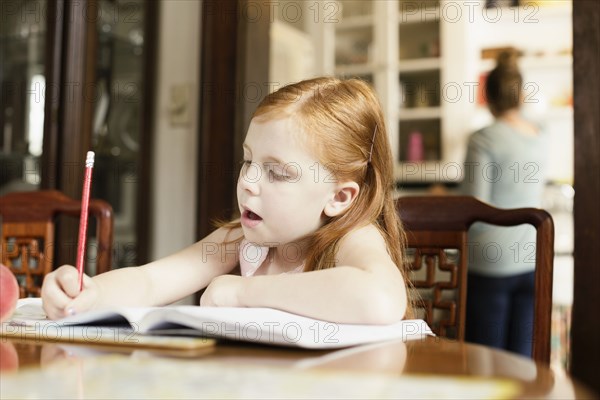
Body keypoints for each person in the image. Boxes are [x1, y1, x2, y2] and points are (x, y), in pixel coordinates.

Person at [41, 77, 411, 325]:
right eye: (248, 160)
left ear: (339, 197)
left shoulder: (354, 239)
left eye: (277, 172)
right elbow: (152, 281)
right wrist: (91, 294)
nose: (248, 182)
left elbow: (379, 298)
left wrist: (243, 293)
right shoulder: (242, 241)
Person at [461, 50, 548, 357]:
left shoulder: (483, 139)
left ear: (488, 95)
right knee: (521, 360)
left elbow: (475, 203)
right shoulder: (540, 135)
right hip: (531, 258)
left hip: (490, 262)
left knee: (485, 359)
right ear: (521, 94)